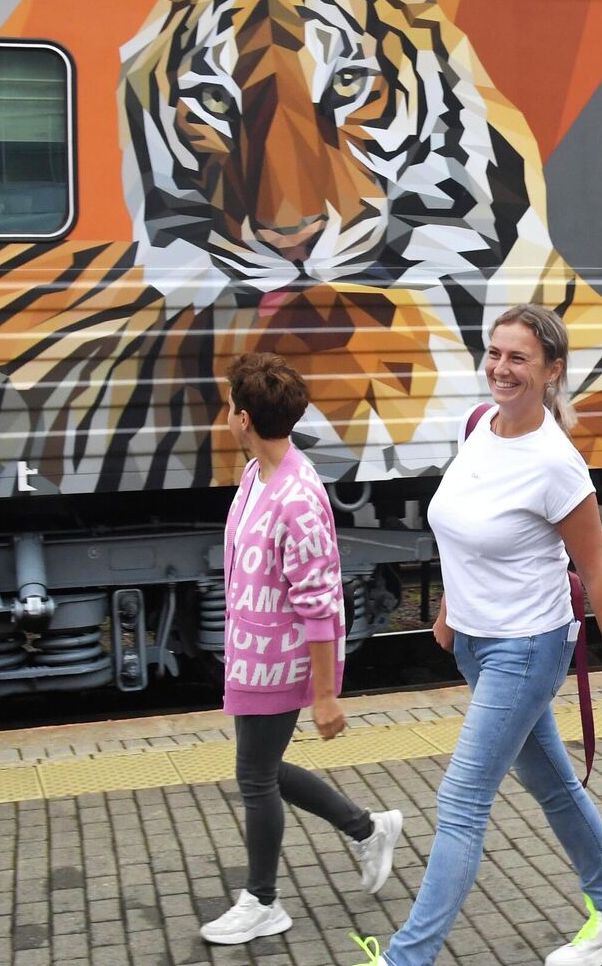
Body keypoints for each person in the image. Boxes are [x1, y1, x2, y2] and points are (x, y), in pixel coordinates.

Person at [368, 304, 602, 966]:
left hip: (526, 649)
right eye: (495, 353)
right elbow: (463, 523)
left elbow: (598, 575)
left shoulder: (556, 463)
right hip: (477, 642)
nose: (501, 367)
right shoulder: (481, 425)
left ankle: (406, 959)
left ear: (552, 371)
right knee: (554, 786)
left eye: (519, 357)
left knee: (461, 799)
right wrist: (448, 610)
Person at [200, 351, 403, 946]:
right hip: (252, 652)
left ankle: (263, 901)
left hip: (281, 658)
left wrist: (324, 696)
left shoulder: (296, 496)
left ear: (241, 418)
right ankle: (367, 829)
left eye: (229, 406)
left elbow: (319, 604)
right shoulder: (256, 476)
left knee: (254, 775)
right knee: (260, 768)